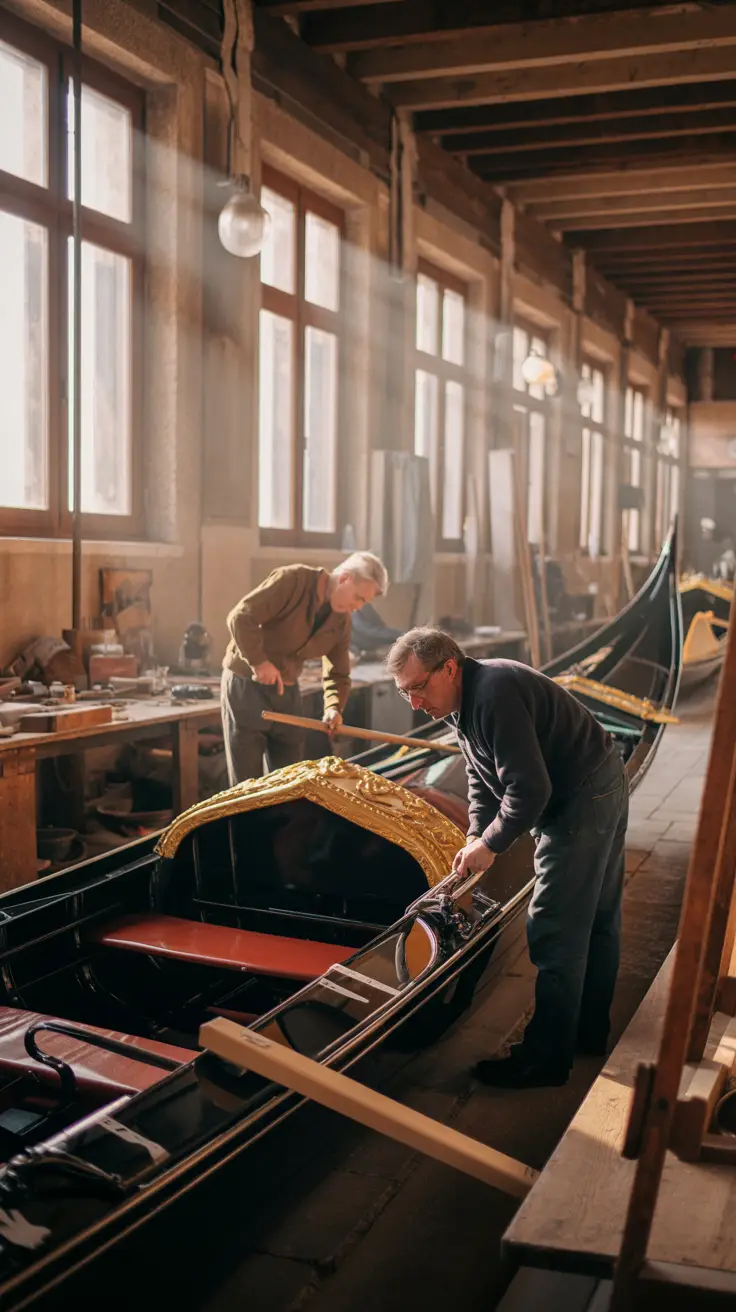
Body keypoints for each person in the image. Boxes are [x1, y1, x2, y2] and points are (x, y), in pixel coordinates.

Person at [386, 628, 629, 1089]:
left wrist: (493, 844)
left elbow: (531, 789)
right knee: (596, 916)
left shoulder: (495, 693)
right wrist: (477, 831)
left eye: (418, 687)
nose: (414, 703)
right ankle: (587, 1033)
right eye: (404, 692)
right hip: (598, 776)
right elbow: (481, 775)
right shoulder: (460, 700)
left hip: (581, 798)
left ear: (450, 668)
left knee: (555, 926)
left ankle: (546, 1059)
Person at [221, 552, 388, 784]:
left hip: (287, 690)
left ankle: (283, 822)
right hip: (246, 686)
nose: (358, 608)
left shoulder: (342, 618)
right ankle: (243, 822)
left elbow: (338, 672)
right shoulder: (292, 580)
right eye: (358, 598)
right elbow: (240, 617)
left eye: (364, 603)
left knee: (290, 781)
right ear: (344, 578)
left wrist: (334, 707)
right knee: (245, 783)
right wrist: (259, 662)